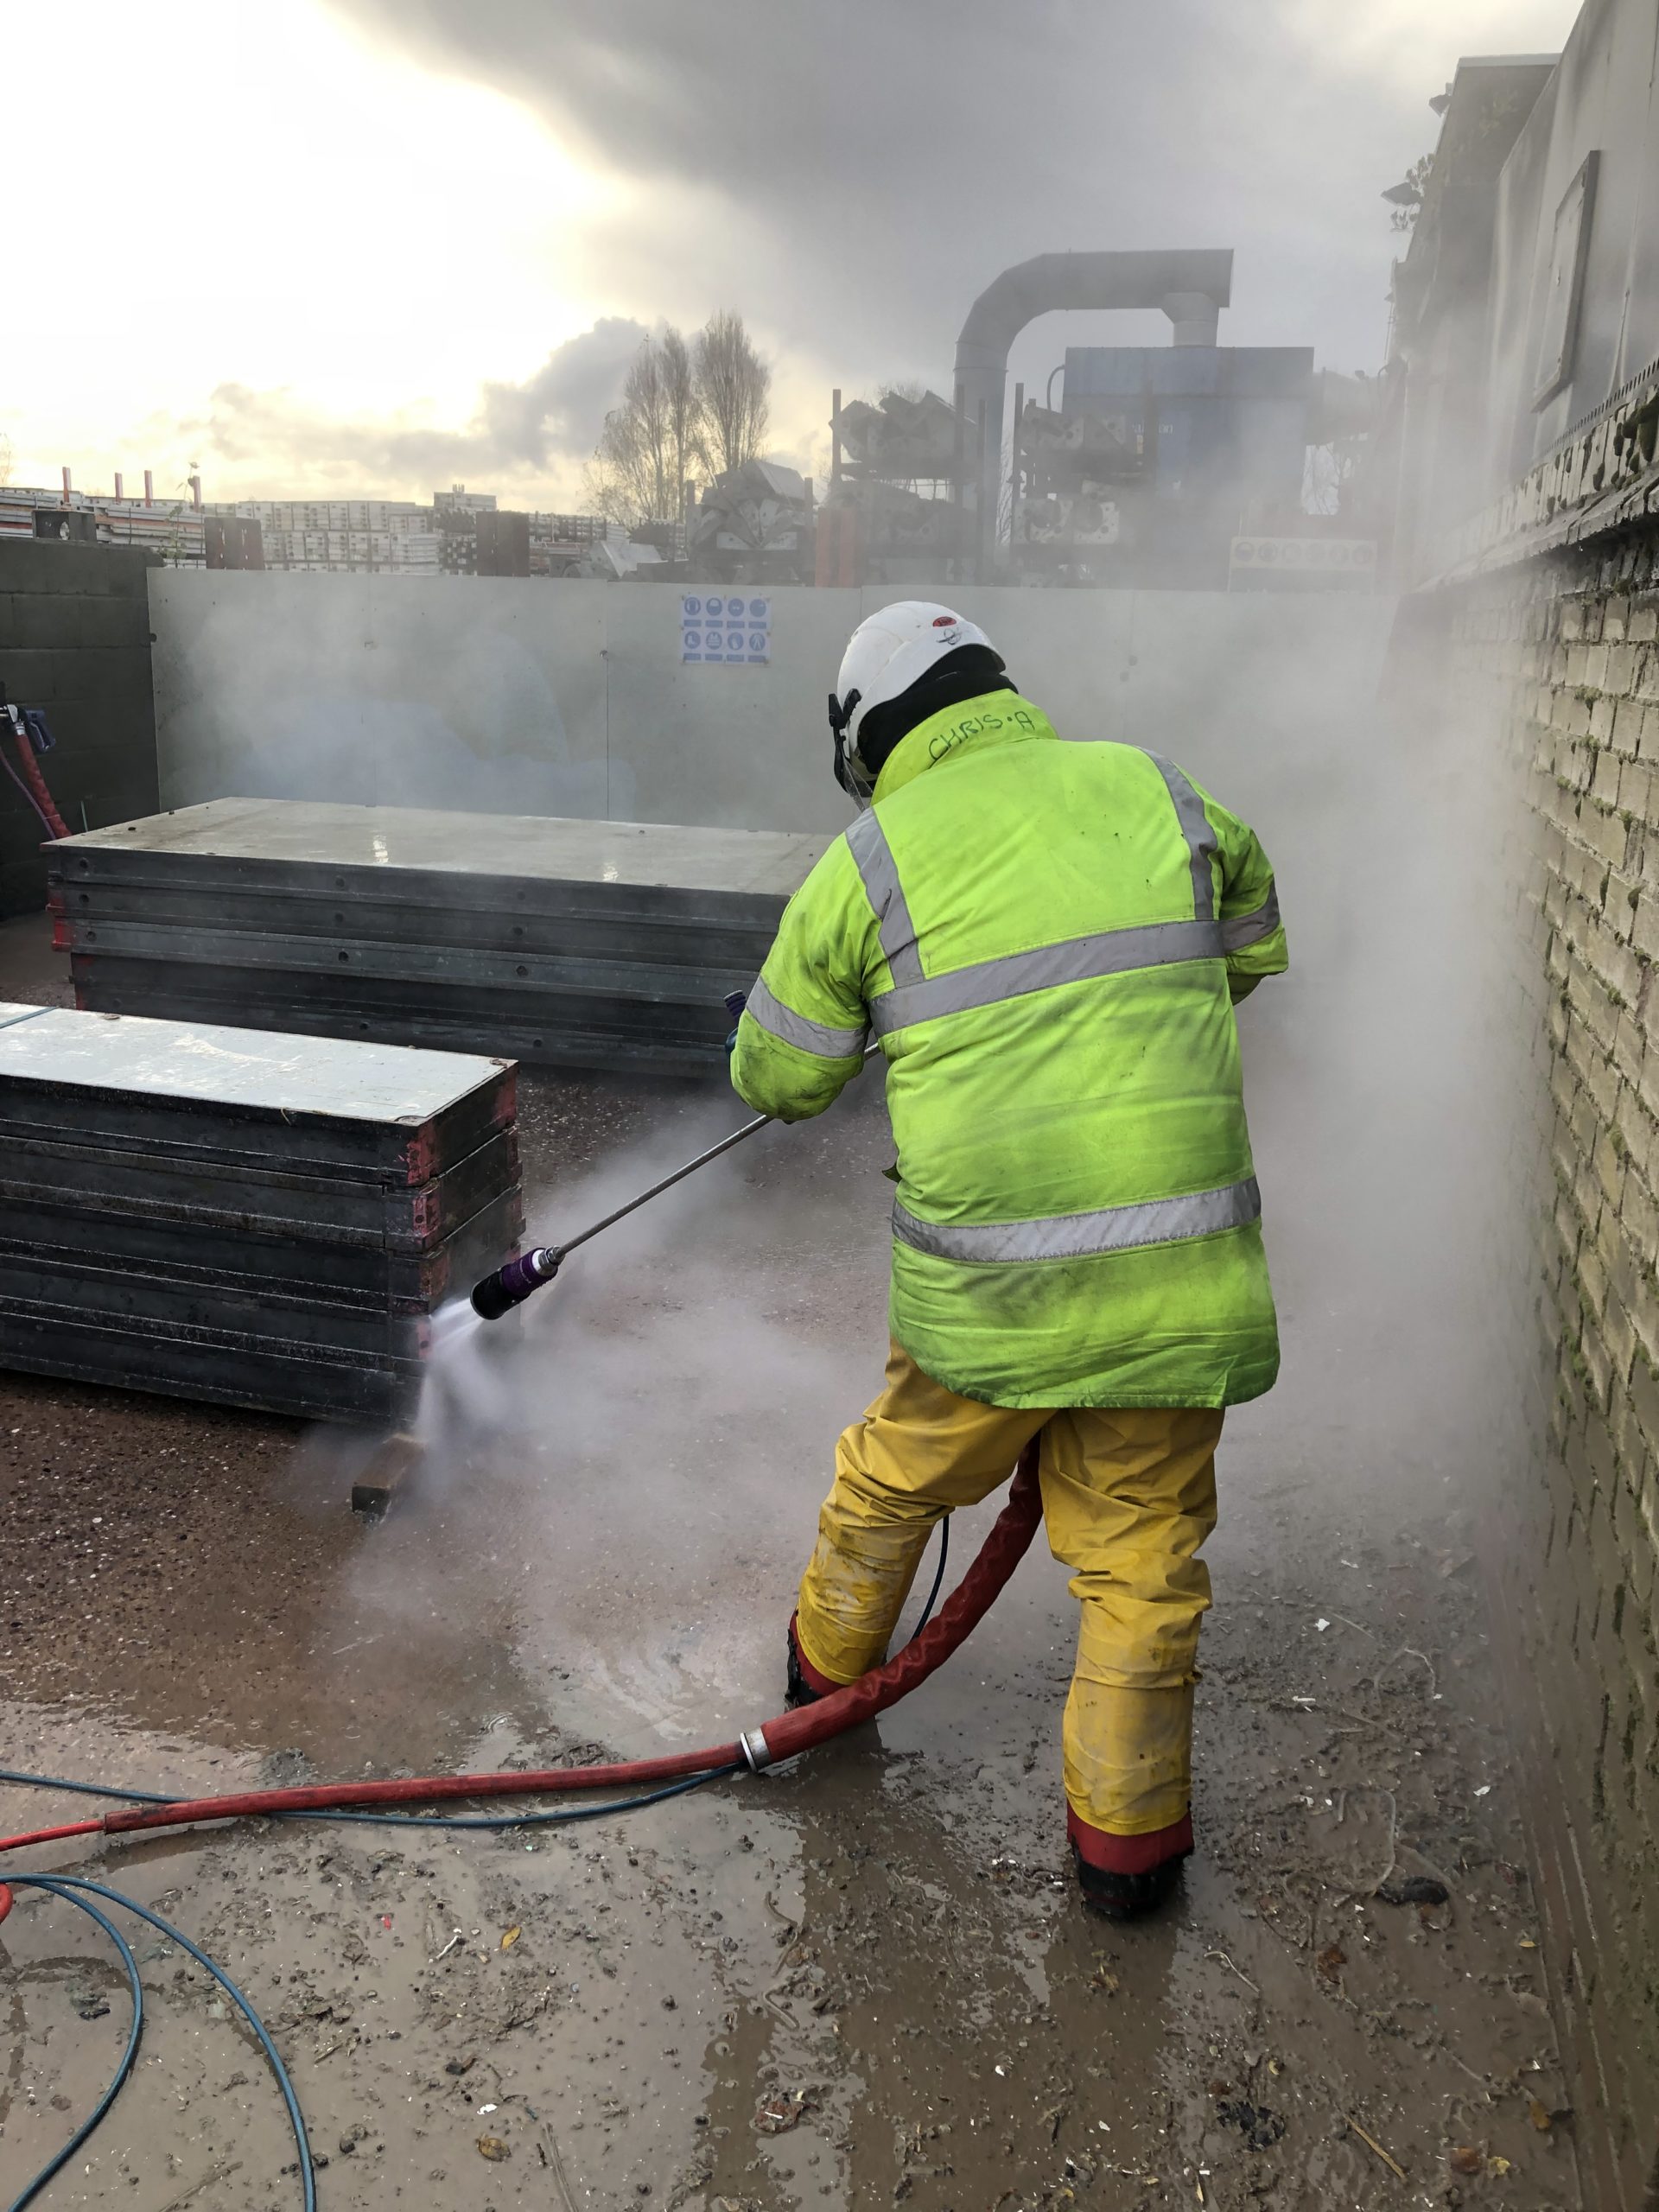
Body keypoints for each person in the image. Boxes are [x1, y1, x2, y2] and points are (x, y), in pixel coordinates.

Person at [729, 601, 1287, 1919]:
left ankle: (821, 1695)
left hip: (989, 1304)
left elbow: (778, 1077)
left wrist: (880, 1019)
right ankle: (1128, 1863)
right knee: (1144, 1562)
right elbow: (1248, 952)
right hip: (1177, 1288)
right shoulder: (1162, 788)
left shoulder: (869, 862)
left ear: (870, 736)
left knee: (893, 1482)